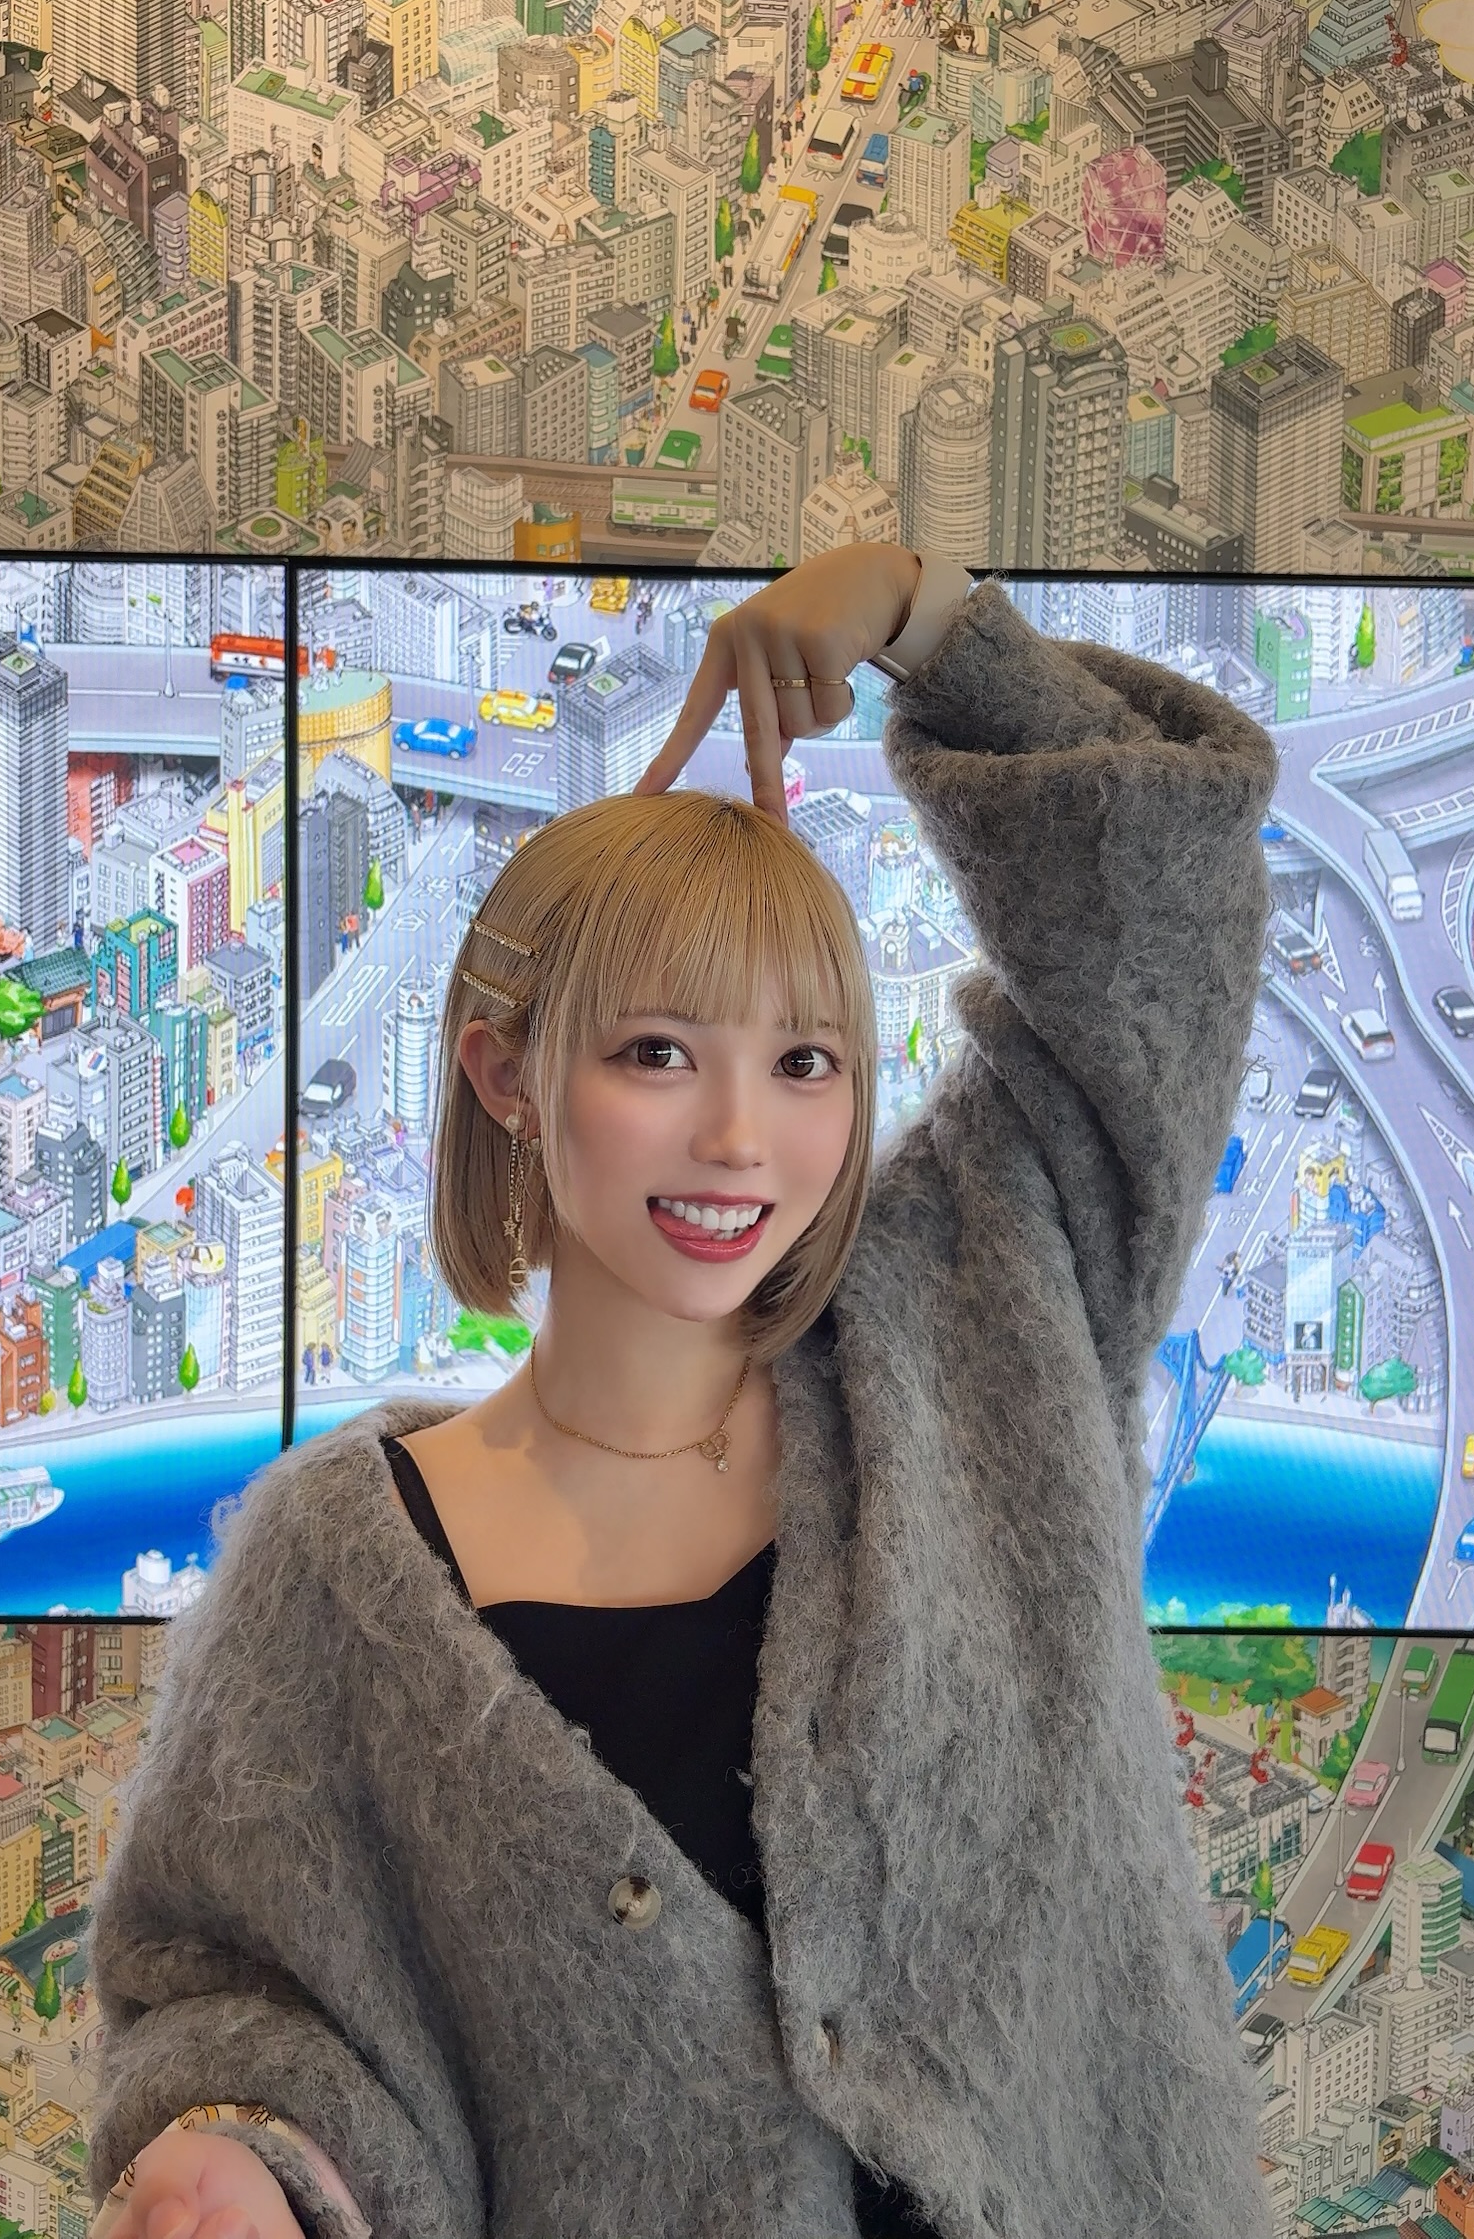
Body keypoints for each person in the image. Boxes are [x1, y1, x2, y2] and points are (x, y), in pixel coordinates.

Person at [83, 543, 1278, 2239]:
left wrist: (929, 623)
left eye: (805, 1063)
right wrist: (249, 2160)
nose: (738, 1138)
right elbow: (234, 1999)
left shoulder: (974, 1333)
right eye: (657, 1053)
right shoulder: (336, 1581)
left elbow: (1158, 929)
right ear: (507, 1072)